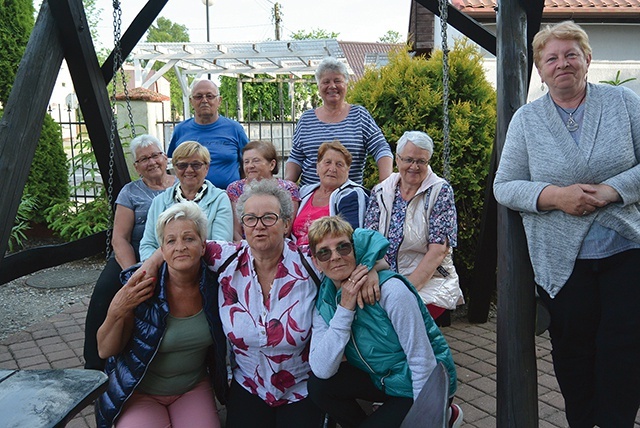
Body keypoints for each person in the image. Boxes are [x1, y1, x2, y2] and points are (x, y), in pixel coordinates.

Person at [493, 21, 640, 428]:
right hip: (563, 262)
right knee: (573, 355)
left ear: (587, 60)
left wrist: (612, 191)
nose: (563, 64)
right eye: (552, 58)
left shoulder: (622, 103)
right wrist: (555, 197)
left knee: (624, 352)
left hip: (625, 252)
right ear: (539, 69)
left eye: (571, 54)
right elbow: (504, 186)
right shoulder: (526, 120)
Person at [140, 179, 327, 428]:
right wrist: (149, 266)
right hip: (249, 386)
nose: (259, 226)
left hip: (300, 389)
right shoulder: (226, 258)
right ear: (243, 225)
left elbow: (356, 250)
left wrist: (371, 273)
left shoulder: (311, 262)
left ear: (285, 224)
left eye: (268, 218)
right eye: (250, 218)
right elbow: (182, 244)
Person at [306, 216, 462, 428]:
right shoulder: (325, 299)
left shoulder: (391, 290)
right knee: (319, 387)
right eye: (324, 252)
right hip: (381, 378)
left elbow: (421, 358)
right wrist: (345, 309)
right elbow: (322, 369)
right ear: (316, 261)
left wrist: (426, 415)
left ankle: (445, 413)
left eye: (343, 248)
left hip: (418, 384)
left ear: (354, 249)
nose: (335, 257)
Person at [95, 202, 228, 428]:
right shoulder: (141, 287)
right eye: (171, 241)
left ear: (203, 246)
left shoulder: (218, 285)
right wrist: (117, 309)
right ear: (162, 250)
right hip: (141, 391)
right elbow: (105, 349)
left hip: (191, 388)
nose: (180, 247)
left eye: (189, 238)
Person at [84, 134, 176, 370]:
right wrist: (131, 272)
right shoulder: (130, 192)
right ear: (136, 167)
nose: (152, 162)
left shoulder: (180, 185)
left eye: (155, 155)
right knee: (104, 294)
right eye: (144, 159)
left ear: (165, 158)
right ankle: (94, 365)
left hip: (172, 252)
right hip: (133, 254)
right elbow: (120, 238)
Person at [364, 131, 463, 321]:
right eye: (409, 159)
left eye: (421, 161)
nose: (414, 167)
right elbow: (369, 242)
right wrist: (370, 273)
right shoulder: (381, 191)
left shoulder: (440, 191)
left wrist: (405, 288)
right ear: (398, 159)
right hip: (385, 276)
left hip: (428, 281)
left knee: (402, 317)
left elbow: (438, 251)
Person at [285, 56, 393, 186]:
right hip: (310, 198)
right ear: (319, 87)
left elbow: (381, 148)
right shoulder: (306, 119)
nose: (332, 86)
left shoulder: (359, 115)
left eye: (337, 81)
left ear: (346, 85)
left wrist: (386, 184)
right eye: (326, 82)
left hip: (349, 198)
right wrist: (288, 185)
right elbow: (296, 157)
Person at [139, 141, 233, 260]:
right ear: (175, 169)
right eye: (182, 165)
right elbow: (147, 244)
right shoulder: (159, 201)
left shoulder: (219, 199)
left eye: (196, 165)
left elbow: (220, 245)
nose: (189, 170)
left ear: (207, 168)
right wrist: (162, 267)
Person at [167, 79, 249, 189]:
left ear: (219, 100)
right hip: (190, 199)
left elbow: (247, 164)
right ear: (191, 101)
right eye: (198, 96)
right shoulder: (181, 130)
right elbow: (172, 164)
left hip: (228, 198)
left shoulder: (235, 129)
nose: (204, 100)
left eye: (209, 96)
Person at [292, 140, 369, 246]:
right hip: (295, 256)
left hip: (327, 258)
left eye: (339, 165)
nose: (332, 169)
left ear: (348, 171)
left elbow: (350, 239)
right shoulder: (304, 193)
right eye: (327, 162)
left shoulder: (352, 196)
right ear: (317, 167)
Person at [226, 140, 300, 240]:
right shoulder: (234, 188)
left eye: (256, 161)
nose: (250, 166)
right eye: (246, 162)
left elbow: (286, 228)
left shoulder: (288, 188)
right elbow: (236, 231)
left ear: (272, 165)